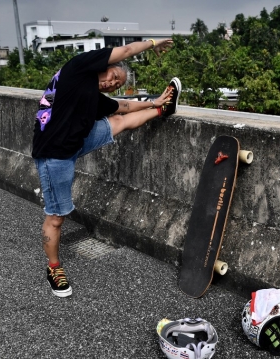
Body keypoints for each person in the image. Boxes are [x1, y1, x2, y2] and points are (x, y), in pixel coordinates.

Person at [32, 38, 181, 297]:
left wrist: (155, 103)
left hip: (76, 140)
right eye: (114, 76)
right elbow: (125, 50)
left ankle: (164, 110)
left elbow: (124, 106)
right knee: (57, 218)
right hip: (54, 153)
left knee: (119, 122)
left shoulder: (93, 96)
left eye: (118, 84)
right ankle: (53, 268)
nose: (113, 83)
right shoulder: (79, 68)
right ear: (105, 66)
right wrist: (153, 43)